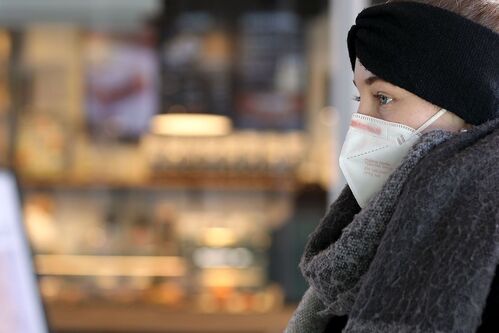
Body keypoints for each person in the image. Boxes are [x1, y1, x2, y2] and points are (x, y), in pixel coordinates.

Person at [285, 0, 499, 332]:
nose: (359, 124)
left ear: (469, 112)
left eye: (383, 98)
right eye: (360, 98)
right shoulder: (354, 249)